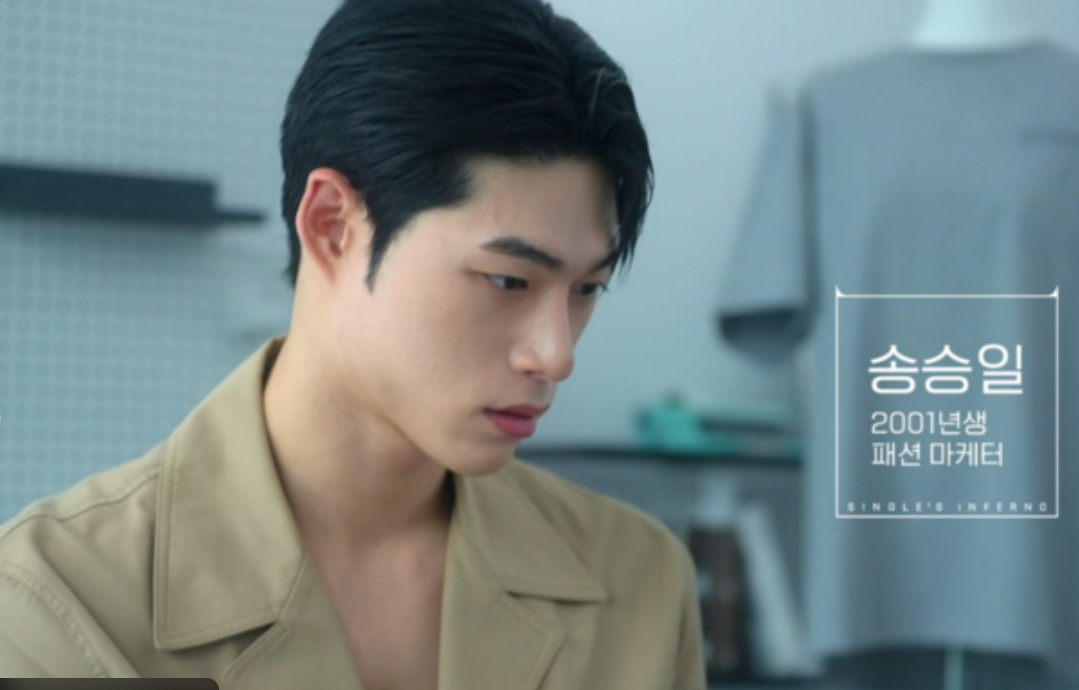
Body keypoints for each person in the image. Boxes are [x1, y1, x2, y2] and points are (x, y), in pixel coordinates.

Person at [0, 0, 706, 687]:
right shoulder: (57, 603)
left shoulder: (639, 582)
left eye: (587, 288)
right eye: (507, 280)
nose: (555, 355)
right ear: (332, 225)